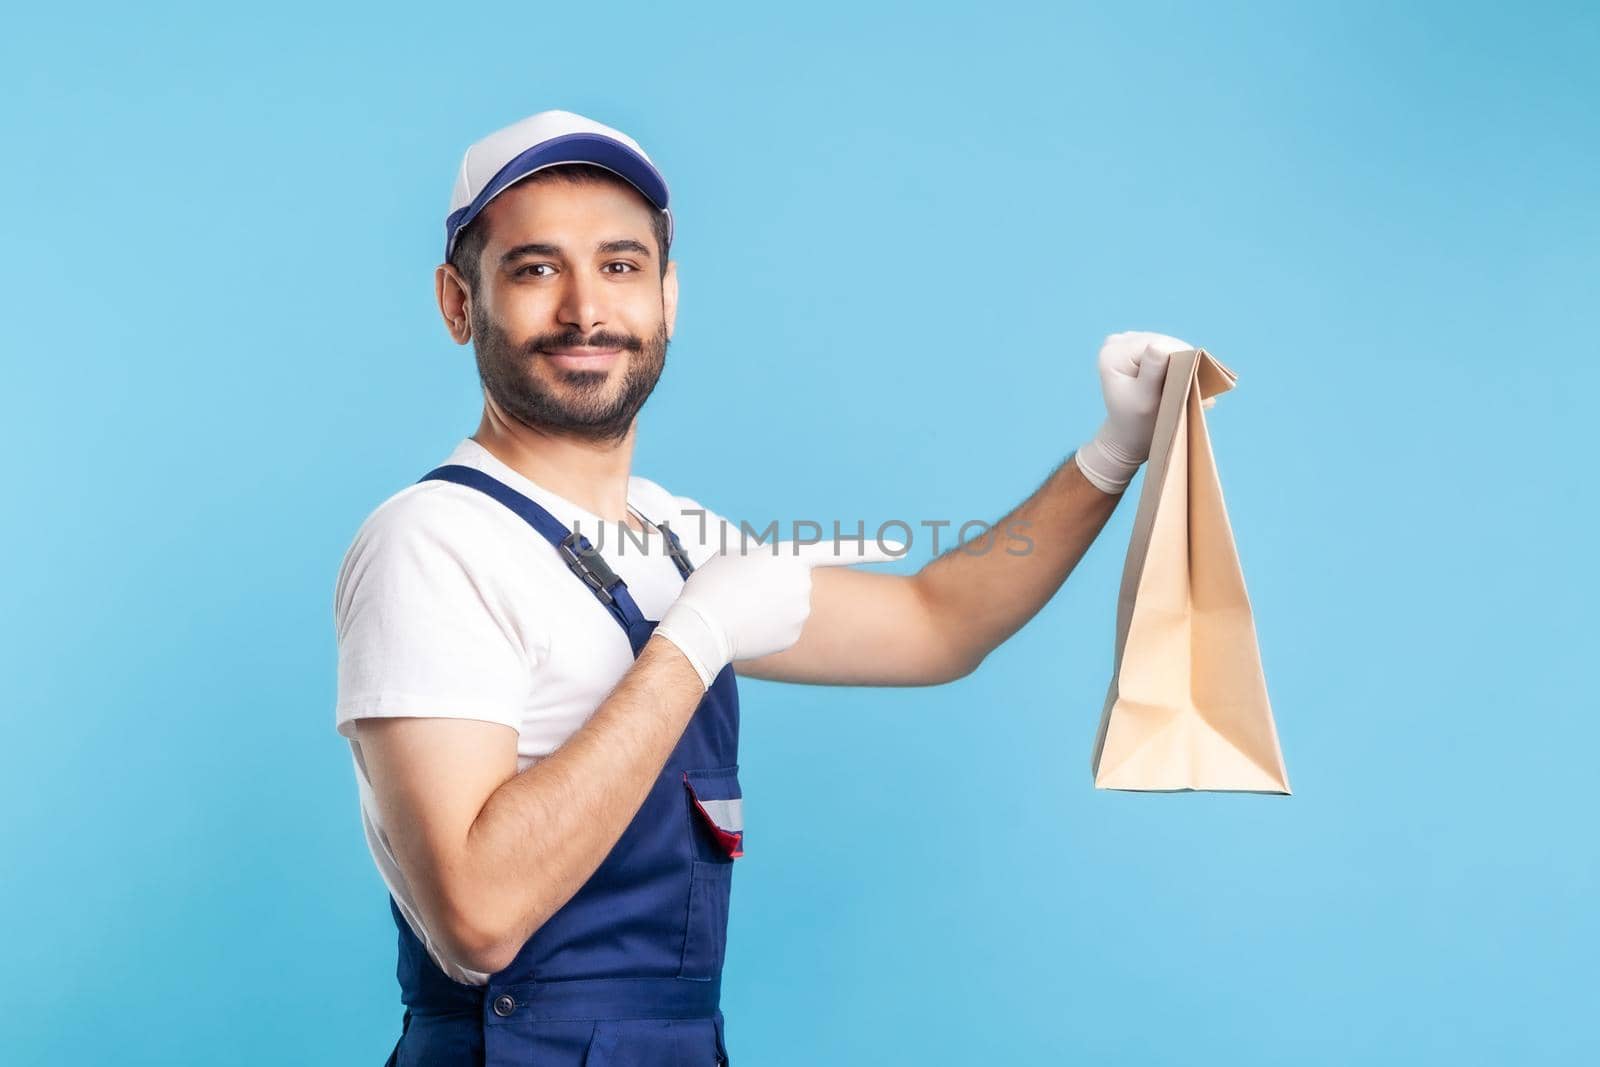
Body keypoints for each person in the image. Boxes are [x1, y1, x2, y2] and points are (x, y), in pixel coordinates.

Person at [333, 108, 1191, 1066]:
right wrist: (693, 641)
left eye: (620, 265)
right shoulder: (433, 542)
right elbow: (477, 918)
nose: (586, 309)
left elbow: (937, 624)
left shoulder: (679, 533)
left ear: (668, 295)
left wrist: (1112, 454)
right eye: (535, 269)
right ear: (458, 303)